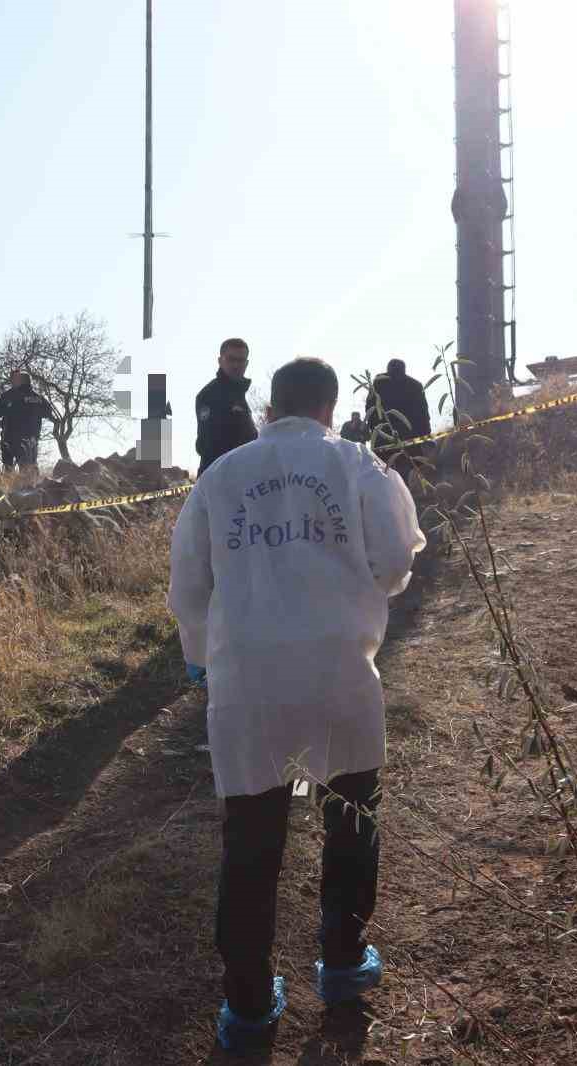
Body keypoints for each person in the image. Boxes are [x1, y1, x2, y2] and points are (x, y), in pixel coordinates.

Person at [167, 357, 425, 1051]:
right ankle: (342, 963)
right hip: (340, 671)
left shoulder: (221, 478)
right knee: (350, 816)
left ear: (266, 409)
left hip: (249, 684)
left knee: (251, 845)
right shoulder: (362, 466)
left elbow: (188, 587)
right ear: (329, 409)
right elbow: (398, 561)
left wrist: (201, 659)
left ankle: (249, 1008)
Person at [194, 338, 257, 477]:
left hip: (240, 474)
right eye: (231, 359)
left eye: (240, 360)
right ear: (220, 361)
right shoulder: (210, 395)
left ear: (246, 363)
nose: (236, 364)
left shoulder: (239, 395)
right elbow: (209, 443)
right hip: (218, 477)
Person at [364, 359, 432, 476]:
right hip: (410, 443)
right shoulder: (415, 386)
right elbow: (423, 415)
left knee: (385, 479)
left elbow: (370, 412)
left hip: (383, 443)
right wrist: (425, 435)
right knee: (410, 480)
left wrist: (375, 433)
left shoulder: (377, 384)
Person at [0, 370, 51, 472]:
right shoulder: (38, 397)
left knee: (10, 468)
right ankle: (33, 485)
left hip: (13, 437)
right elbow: (48, 412)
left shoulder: (12, 396)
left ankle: (14, 486)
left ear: (20, 381)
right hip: (33, 437)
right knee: (31, 463)